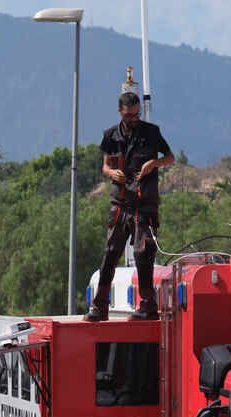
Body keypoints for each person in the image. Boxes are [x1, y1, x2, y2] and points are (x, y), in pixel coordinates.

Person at [86, 90, 175, 322]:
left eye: (136, 115)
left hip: (144, 204)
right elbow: (105, 166)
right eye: (129, 116)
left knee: (143, 253)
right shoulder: (110, 135)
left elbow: (170, 158)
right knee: (110, 253)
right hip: (120, 203)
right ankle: (99, 306)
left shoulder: (151, 132)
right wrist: (111, 172)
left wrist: (153, 164)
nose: (133, 119)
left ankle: (147, 305)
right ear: (120, 112)